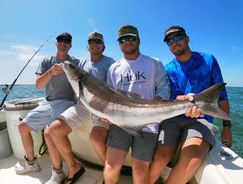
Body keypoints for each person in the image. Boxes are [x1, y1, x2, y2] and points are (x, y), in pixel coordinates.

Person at [149, 25, 232, 184]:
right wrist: (185, 100)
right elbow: (170, 97)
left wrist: (227, 127)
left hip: (201, 119)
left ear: (187, 38)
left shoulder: (208, 60)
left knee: (192, 158)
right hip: (173, 118)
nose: (174, 42)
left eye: (178, 37)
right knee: (159, 159)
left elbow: (222, 96)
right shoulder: (168, 69)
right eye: (169, 41)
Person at [44, 31, 115, 184]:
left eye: (98, 42)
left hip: (102, 108)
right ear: (87, 46)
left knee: (96, 139)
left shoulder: (111, 63)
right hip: (82, 106)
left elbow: (114, 89)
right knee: (53, 130)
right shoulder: (81, 64)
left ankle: (109, 174)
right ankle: (74, 167)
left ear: (103, 46)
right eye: (91, 42)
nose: (94, 44)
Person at [103, 25, 170, 184]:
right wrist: (107, 115)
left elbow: (165, 88)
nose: (127, 42)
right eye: (123, 39)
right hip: (120, 123)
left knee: (140, 171)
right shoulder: (113, 68)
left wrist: (157, 101)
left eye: (131, 38)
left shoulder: (154, 63)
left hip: (148, 123)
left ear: (138, 40)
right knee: (111, 167)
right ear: (119, 44)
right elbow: (108, 97)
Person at [15, 33, 79, 177]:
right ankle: (32, 164)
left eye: (66, 41)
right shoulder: (46, 61)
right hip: (48, 102)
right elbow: (38, 85)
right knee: (22, 127)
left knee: (48, 133)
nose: (63, 43)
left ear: (70, 45)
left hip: (66, 102)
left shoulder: (75, 62)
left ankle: (57, 173)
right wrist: (50, 72)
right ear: (56, 44)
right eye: (60, 40)